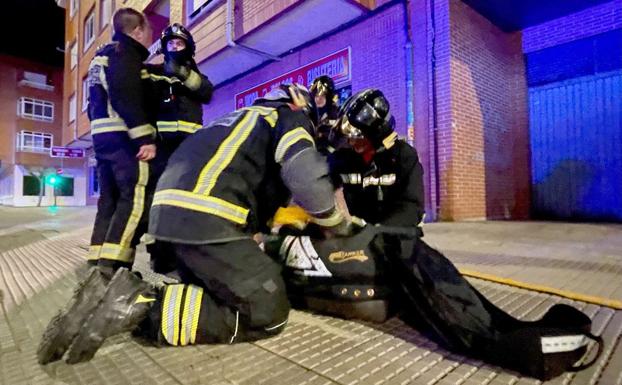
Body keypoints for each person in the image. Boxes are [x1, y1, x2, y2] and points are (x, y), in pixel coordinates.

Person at [37, 84, 357, 365]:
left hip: (168, 220)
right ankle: (140, 306)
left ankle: (102, 292)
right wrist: (338, 225)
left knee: (214, 290)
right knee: (266, 308)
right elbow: (304, 173)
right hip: (206, 217)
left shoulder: (237, 120)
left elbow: (252, 191)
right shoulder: (288, 116)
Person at [85, 8, 158, 273]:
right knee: (133, 198)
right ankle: (114, 265)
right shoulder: (124, 53)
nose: (151, 38)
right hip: (123, 137)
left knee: (109, 200)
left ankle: (97, 260)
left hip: (103, 137)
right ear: (137, 30)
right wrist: (144, 138)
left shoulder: (102, 55)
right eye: (149, 32)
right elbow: (124, 96)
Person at [144, 23, 214, 273]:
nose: (174, 47)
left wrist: (184, 74)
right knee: (158, 198)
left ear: (188, 48)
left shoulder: (194, 75)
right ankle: (160, 252)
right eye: (170, 44)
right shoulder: (154, 73)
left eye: (179, 44)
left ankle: (187, 251)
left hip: (189, 149)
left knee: (187, 199)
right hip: (162, 148)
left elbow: (207, 92)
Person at [309, 75, 339, 154]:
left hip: (330, 155)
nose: (318, 99)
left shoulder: (336, 114)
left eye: (322, 95)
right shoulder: (310, 114)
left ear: (328, 97)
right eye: (316, 96)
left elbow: (338, 138)